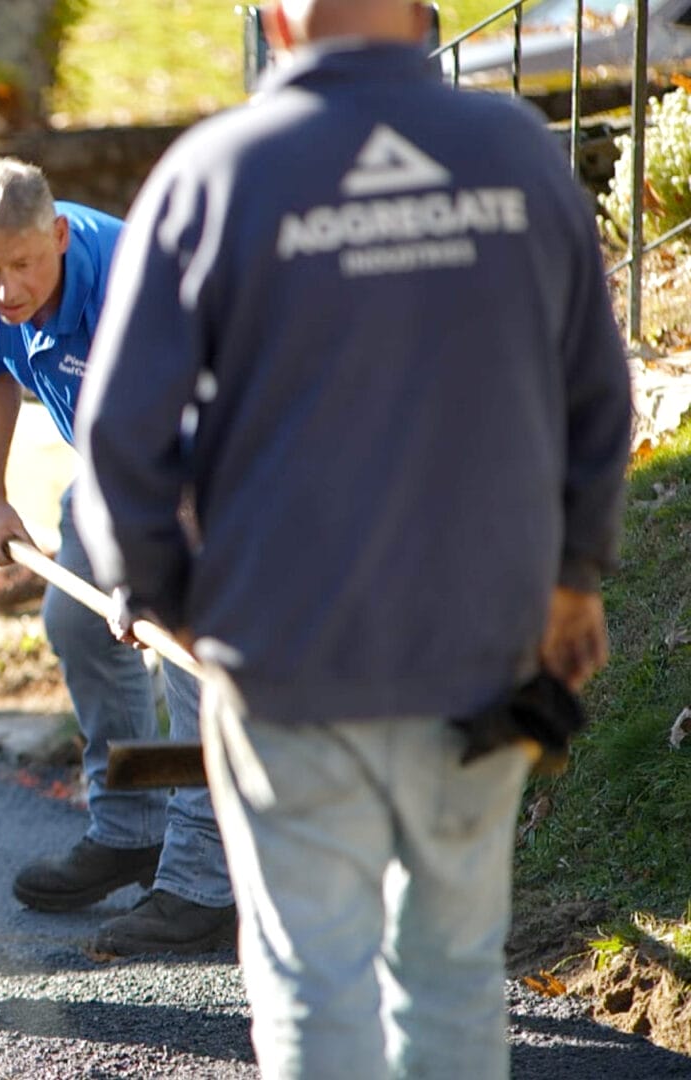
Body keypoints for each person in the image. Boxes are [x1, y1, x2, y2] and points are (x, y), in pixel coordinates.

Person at [71, 0, 632, 1074]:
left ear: (276, 24)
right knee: (454, 971)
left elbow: (119, 435)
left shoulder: (215, 174)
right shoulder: (514, 153)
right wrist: (571, 581)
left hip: (285, 660)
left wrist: (167, 597)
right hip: (483, 656)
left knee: (313, 977)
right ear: (421, 17)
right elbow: (598, 398)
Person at [0, 156, 234, 956]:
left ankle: (203, 887)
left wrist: (149, 582)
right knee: (76, 624)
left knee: (186, 655)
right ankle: (130, 830)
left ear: (62, 236)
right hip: (119, 470)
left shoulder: (135, 288)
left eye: (23, 266)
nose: (4, 289)